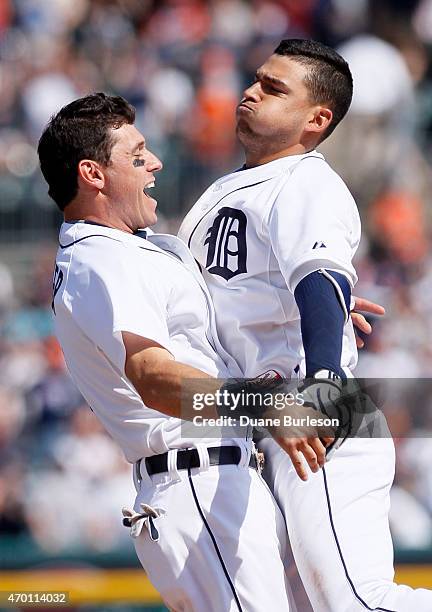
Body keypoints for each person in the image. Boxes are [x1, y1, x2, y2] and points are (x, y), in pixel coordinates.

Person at [178, 39, 432, 611]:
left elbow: (319, 278)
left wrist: (323, 375)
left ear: (317, 119)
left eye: (274, 88)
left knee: (357, 603)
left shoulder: (304, 181)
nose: (250, 92)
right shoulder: (230, 188)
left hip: (315, 414)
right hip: (263, 424)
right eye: (256, 79)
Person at [38, 93, 293, 612]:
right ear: (93, 174)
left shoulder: (126, 248)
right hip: (194, 480)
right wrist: (265, 406)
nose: (155, 162)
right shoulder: (99, 258)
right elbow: (153, 379)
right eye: (136, 156)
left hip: (209, 479)